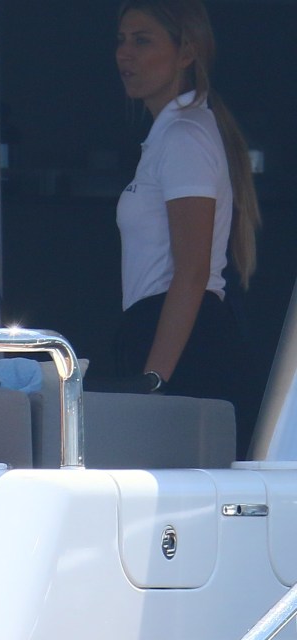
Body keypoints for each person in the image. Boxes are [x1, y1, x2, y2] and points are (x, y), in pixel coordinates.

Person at [112, 0, 261, 457]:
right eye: (121, 40)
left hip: (183, 346)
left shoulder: (184, 136)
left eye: (142, 40)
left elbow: (192, 271)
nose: (124, 54)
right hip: (164, 332)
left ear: (187, 52)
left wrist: (154, 379)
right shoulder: (175, 133)